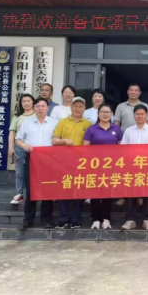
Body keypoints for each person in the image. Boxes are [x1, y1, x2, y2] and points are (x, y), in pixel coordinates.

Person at [15, 98, 59, 230]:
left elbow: (58, 139)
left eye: (43, 106)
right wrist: (24, 145)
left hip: (48, 159)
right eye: (38, 106)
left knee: (48, 188)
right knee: (31, 189)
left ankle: (46, 219)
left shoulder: (54, 122)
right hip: (32, 157)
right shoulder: (27, 122)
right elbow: (18, 139)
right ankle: (28, 219)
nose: (40, 108)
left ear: (47, 108)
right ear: (34, 108)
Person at [52, 97, 93, 229]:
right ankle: (63, 218)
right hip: (64, 161)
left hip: (81, 163)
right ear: (71, 107)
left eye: (81, 106)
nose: (78, 109)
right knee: (64, 189)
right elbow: (54, 141)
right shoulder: (62, 122)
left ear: (84, 108)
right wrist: (64, 141)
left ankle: (76, 218)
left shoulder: (88, 124)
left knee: (79, 190)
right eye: (75, 106)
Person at [83, 104, 123, 231]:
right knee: (94, 193)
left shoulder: (116, 129)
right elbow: (85, 148)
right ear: (98, 113)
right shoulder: (91, 129)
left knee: (107, 193)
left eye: (108, 112)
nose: (105, 114)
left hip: (111, 166)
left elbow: (121, 148)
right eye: (103, 112)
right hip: (95, 166)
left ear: (111, 114)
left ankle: (106, 219)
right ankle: (95, 219)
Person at [121, 104, 148, 231]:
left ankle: (147, 219)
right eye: (137, 114)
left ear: (146, 116)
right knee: (131, 193)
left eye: (142, 114)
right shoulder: (129, 131)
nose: (140, 116)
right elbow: (123, 149)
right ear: (134, 116)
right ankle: (130, 219)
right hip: (132, 166)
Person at [114, 83, 148, 206]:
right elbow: (116, 124)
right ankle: (123, 196)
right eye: (131, 90)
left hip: (144, 146)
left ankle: (140, 196)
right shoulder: (120, 106)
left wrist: (147, 133)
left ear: (139, 93)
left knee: (142, 175)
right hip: (126, 142)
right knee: (126, 174)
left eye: (136, 90)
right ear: (127, 92)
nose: (133, 92)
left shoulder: (145, 106)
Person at [8, 94, 36, 205]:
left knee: (35, 172)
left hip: (34, 148)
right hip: (19, 147)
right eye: (24, 101)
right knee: (19, 172)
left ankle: (35, 193)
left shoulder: (37, 115)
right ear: (21, 103)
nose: (26, 103)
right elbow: (12, 133)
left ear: (33, 102)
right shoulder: (17, 116)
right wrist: (10, 147)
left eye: (28, 101)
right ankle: (19, 194)